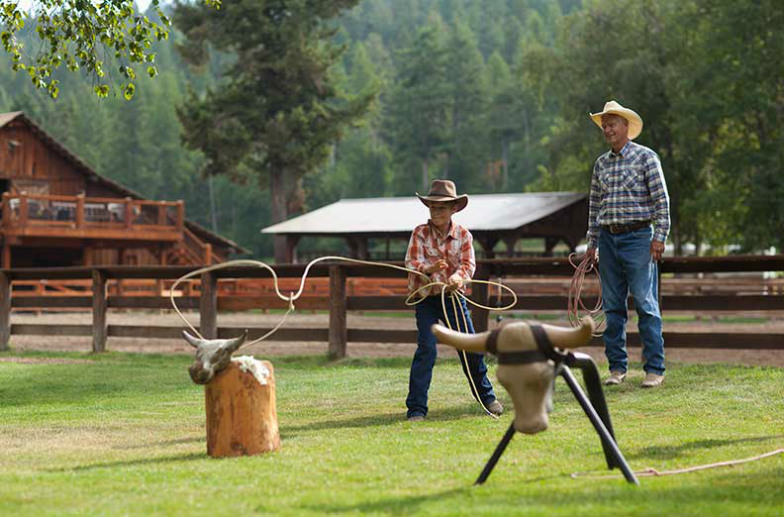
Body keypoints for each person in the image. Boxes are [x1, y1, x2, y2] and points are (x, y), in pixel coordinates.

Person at [585, 100, 670, 388]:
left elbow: (661, 201)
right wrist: (592, 242)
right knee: (612, 307)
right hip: (608, 239)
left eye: (612, 123)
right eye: (604, 124)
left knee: (646, 304)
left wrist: (659, 237)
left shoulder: (647, 158)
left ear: (626, 127)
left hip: (638, 238)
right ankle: (617, 368)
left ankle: (655, 368)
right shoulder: (600, 164)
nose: (607, 128)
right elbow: (595, 205)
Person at [404, 179, 503, 421]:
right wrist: (429, 268)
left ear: (453, 209)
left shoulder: (463, 236)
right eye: (433, 207)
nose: (436, 211)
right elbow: (411, 263)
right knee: (426, 349)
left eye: (442, 207)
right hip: (426, 298)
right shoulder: (419, 233)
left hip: (453, 298)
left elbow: (468, 265)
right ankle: (416, 408)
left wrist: (458, 278)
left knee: (469, 346)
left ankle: (486, 397)